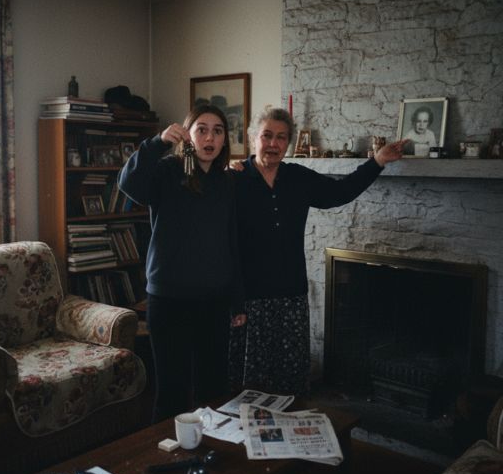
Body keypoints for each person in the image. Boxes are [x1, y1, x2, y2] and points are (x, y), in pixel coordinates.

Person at [230, 106, 408, 396]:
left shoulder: (297, 177)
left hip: (291, 294)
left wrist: (377, 161)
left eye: (281, 137)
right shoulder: (233, 179)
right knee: (251, 382)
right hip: (249, 298)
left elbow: (340, 191)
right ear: (252, 138)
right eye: (266, 135)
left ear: (288, 143)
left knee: (289, 378)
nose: (273, 143)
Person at [118, 105, 245, 422]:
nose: (210, 137)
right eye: (202, 129)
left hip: (214, 302)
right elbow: (128, 183)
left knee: (213, 389)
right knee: (172, 392)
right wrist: (157, 142)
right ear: (188, 135)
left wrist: (237, 300)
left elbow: (232, 243)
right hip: (169, 301)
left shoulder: (228, 182)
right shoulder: (167, 171)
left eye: (217, 131)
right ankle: (167, 448)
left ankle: (212, 445)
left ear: (224, 139)